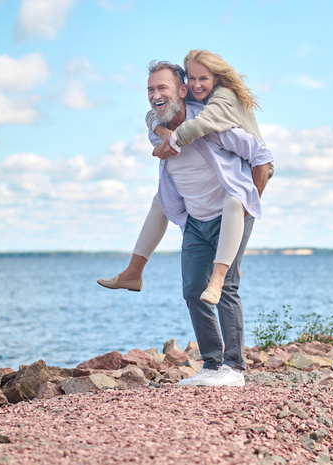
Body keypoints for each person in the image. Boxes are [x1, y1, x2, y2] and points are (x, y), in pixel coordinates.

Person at [98, 50, 271, 305]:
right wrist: (159, 130)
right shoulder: (187, 94)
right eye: (191, 78)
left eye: (203, 78)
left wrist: (168, 143)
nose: (196, 84)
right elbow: (155, 113)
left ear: (216, 78)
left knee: (228, 281)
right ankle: (134, 271)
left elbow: (202, 126)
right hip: (210, 197)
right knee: (161, 201)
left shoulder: (221, 100)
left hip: (254, 169)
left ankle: (220, 283)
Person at [141, 61, 271, 387]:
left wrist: (248, 200)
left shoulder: (212, 123)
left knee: (225, 287)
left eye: (163, 88)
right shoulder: (156, 124)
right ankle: (212, 365)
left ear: (182, 91)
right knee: (192, 291)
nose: (156, 95)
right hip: (196, 221)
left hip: (231, 213)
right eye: (150, 89)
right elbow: (152, 124)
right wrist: (161, 132)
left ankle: (235, 368)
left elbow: (260, 155)